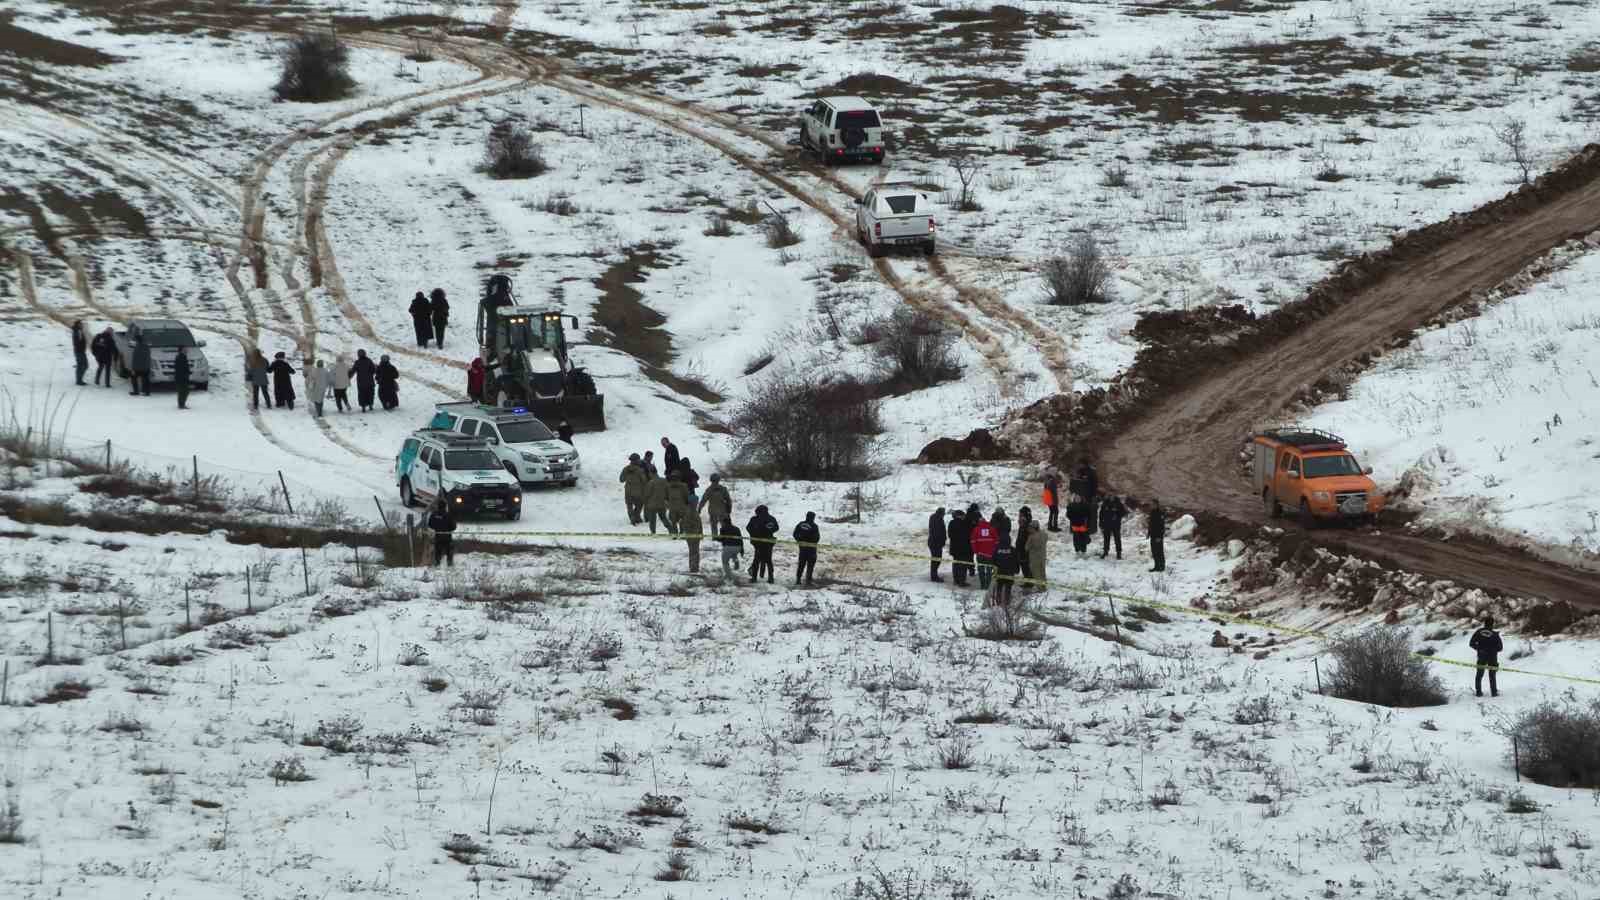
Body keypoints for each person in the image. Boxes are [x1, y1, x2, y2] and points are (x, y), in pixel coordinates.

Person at [1470, 617, 1503, 697]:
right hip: (1492, 657)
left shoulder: (1479, 632)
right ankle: (1494, 692)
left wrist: (1479, 649)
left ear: (1484, 623)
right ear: (1492, 624)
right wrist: (1493, 650)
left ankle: (1478, 692)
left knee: (1479, 675)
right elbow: (1500, 648)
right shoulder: (1495, 634)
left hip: (1481, 656)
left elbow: (1471, 643)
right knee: (1492, 675)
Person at [746, 505, 780, 584]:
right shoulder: (771, 519)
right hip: (768, 542)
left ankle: (754, 578)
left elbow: (748, 528)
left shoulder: (755, 519)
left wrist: (754, 534)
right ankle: (771, 578)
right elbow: (776, 528)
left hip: (758, 543)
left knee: (756, 560)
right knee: (768, 560)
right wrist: (769, 531)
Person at [970, 512, 998, 591]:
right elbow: (996, 541)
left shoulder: (976, 529)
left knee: (981, 569)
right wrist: (994, 550)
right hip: (990, 554)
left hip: (980, 554)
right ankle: (988, 585)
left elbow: (972, 541)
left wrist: (975, 551)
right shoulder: (992, 529)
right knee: (989, 569)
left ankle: (982, 585)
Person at [991, 536, 1019, 607]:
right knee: (1008, 587)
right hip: (1010, 572)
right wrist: (1017, 569)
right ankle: (1007, 600)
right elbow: (1016, 561)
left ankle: (998, 600)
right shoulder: (1013, 550)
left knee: (999, 586)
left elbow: (993, 560)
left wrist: (993, 568)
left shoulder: (996, 549)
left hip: (1000, 571)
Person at [427, 496, 456, 567]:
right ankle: (449, 562)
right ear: (445, 506)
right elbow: (453, 526)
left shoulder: (434, 514)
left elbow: (430, 524)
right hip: (447, 536)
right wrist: (448, 529)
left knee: (438, 550)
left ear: (438, 506)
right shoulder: (448, 515)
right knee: (449, 550)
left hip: (437, 535)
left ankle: (437, 562)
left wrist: (436, 527)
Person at [793, 512, 820, 586]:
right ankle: (808, 580)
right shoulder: (814, 526)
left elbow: (795, 534)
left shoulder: (800, 524)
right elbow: (817, 538)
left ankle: (798, 579)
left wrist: (799, 540)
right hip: (811, 549)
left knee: (801, 564)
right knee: (810, 565)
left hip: (802, 548)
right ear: (813, 518)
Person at [619, 454, 647, 524]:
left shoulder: (625, 469)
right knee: (639, 505)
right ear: (637, 460)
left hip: (628, 491)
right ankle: (636, 516)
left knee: (629, 505)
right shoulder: (640, 470)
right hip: (638, 491)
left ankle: (632, 517)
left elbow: (621, 480)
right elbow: (644, 481)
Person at [1099, 494, 1127, 560]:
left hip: (1116, 524)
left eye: (1112, 495)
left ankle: (1119, 553)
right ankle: (1105, 551)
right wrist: (1101, 523)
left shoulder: (1118, 503)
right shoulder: (1105, 503)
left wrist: (1117, 515)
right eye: (1110, 495)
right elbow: (1101, 514)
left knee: (1117, 539)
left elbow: (1123, 512)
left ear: (1114, 496)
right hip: (1106, 524)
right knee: (1106, 539)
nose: (1111, 496)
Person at [948, 508, 971, 586]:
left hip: (954, 548)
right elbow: (968, 535)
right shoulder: (964, 523)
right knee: (963, 565)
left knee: (956, 564)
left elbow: (950, 535)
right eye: (963, 515)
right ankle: (962, 581)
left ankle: (956, 580)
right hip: (963, 548)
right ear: (960, 516)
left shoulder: (951, 523)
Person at [642, 470, 669, 534]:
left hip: (652, 505)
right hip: (662, 503)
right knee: (664, 518)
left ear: (651, 473)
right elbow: (668, 491)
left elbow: (647, 494)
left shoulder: (650, 483)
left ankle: (653, 532)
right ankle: (671, 530)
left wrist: (645, 502)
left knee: (652, 520)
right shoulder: (664, 481)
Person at [719, 518, 745, 583]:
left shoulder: (723, 529)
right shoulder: (736, 528)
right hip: (737, 547)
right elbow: (740, 539)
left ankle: (729, 576)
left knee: (725, 562)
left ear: (724, 523)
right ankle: (736, 561)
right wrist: (742, 550)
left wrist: (715, 538)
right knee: (733, 554)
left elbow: (721, 538)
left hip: (728, 547)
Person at [1024, 521, 1048, 591]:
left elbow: (1026, 548)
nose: (1029, 529)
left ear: (1034, 528)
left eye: (1030, 528)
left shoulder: (1031, 537)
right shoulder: (1044, 534)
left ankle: (1040, 588)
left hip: (1034, 558)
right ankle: (1044, 586)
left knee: (1036, 573)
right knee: (1042, 572)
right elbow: (1046, 540)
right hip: (1043, 556)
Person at [681, 504, 704, 574]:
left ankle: (692, 567)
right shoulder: (695, 514)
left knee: (692, 551)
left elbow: (682, 524)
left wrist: (685, 533)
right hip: (695, 536)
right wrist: (700, 534)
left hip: (690, 536)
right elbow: (699, 525)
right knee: (695, 552)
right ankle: (694, 568)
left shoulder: (686, 514)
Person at [928, 506, 947, 582]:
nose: (944, 514)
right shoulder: (938, 519)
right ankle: (934, 576)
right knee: (936, 560)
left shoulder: (935, 517)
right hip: (936, 543)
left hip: (934, 542)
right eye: (944, 513)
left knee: (935, 560)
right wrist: (941, 541)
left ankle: (934, 575)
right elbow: (938, 532)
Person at [1147, 499, 1166, 572]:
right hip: (1153, 535)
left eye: (1153, 504)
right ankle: (1156, 566)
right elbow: (1151, 524)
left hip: (1158, 536)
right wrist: (1148, 533)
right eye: (1151, 504)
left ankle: (1162, 566)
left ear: (1157, 505)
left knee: (1159, 551)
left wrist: (1160, 537)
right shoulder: (1152, 512)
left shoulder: (1160, 513)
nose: (1152, 505)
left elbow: (1162, 526)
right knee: (1154, 551)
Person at [1043, 465, 1062, 532]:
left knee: (1051, 512)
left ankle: (1050, 525)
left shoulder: (1047, 479)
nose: (1056, 473)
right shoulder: (1052, 480)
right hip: (1052, 499)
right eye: (1056, 472)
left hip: (1048, 499)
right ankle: (1054, 526)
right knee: (1056, 512)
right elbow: (1053, 491)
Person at [1016, 507, 1034, 576]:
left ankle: (1029, 582)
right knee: (1024, 565)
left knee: (1025, 565)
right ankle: (1028, 580)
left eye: (1020, 514)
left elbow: (1025, 539)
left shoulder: (1026, 526)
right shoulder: (1024, 524)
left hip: (1025, 550)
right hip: (1022, 549)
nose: (1019, 516)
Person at [71, 320, 89, 385]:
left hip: (80, 351)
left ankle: (79, 380)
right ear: (78, 324)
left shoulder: (78, 331)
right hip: (79, 351)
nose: (82, 325)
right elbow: (78, 342)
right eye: (81, 324)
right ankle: (79, 380)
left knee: (82, 366)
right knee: (83, 365)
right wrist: (81, 348)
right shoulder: (78, 331)